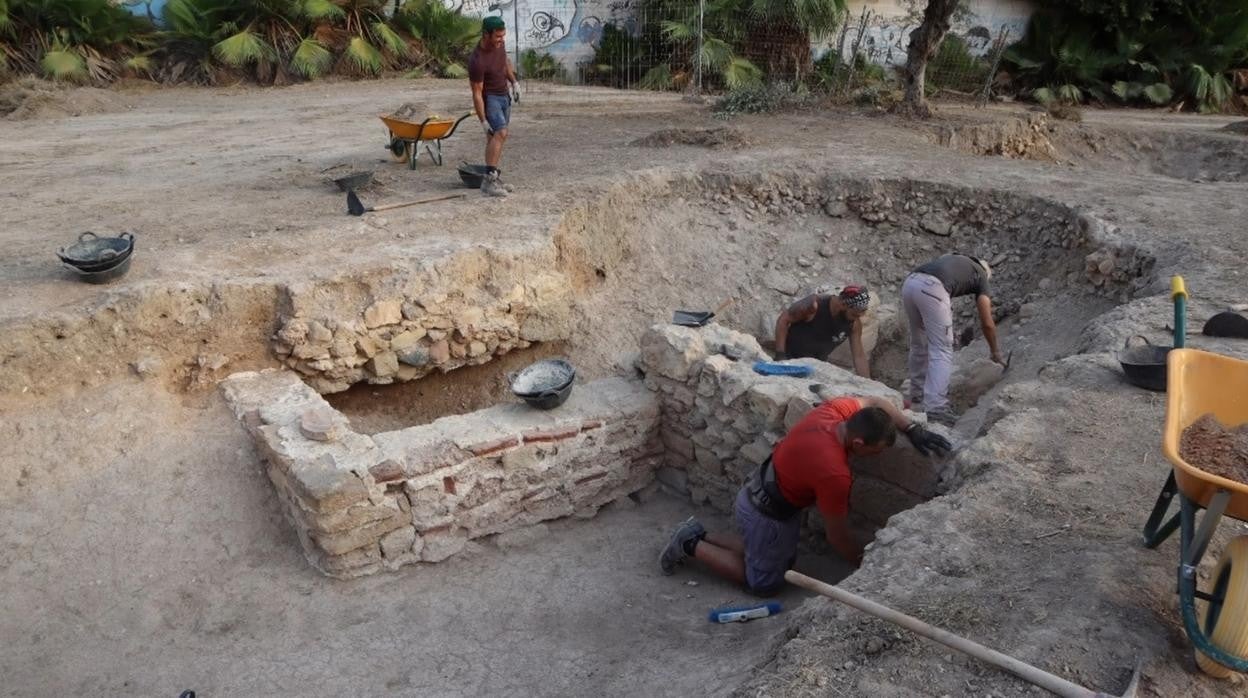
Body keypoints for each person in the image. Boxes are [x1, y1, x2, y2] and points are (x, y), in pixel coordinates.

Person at [658, 391, 951, 596]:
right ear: (859, 442)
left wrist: (911, 427)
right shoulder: (834, 473)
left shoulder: (835, 412)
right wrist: (865, 565)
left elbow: (875, 402)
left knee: (776, 560)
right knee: (763, 584)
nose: (875, 457)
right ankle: (689, 544)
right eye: (875, 452)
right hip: (766, 513)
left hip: (763, 490)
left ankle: (700, 534)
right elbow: (837, 537)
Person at [901, 254, 1005, 426]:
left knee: (919, 344)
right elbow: (987, 322)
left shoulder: (958, 259)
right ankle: (936, 408)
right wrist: (995, 351)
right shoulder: (982, 275)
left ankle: (917, 399)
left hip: (910, 283)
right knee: (941, 349)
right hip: (932, 289)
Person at [773, 285, 872, 378]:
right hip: (791, 360)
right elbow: (783, 320)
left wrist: (868, 383)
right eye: (854, 315)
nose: (856, 319)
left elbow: (859, 356)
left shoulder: (854, 324)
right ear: (843, 305)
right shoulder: (814, 305)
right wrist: (780, 355)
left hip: (815, 368)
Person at [468, 16, 519, 198]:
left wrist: (514, 82)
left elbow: (505, 62)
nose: (501, 40)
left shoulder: (499, 45)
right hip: (490, 99)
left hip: (504, 95)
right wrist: (483, 121)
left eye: (503, 36)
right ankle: (488, 182)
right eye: (498, 37)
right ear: (486, 34)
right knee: (501, 133)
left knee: (495, 139)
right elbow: (476, 93)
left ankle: (493, 178)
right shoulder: (477, 60)